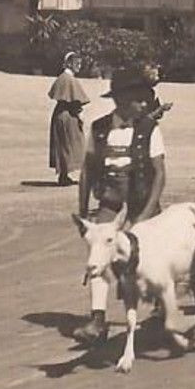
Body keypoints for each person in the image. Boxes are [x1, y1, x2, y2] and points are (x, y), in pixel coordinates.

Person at [75, 68, 169, 345]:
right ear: (121, 100)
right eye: (138, 100)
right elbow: (87, 170)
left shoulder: (150, 129)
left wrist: (146, 216)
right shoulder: (100, 128)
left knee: (154, 251)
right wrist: (84, 213)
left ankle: (162, 304)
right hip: (111, 194)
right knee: (98, 253)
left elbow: (160, 174)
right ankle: (97, 319)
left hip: (142, 194)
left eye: (145, 100)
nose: (143, 105)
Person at [47, 52, 91, 187]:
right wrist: (80, 116)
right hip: (68, 116)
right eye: (77, 64)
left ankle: (63, 175)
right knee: (74, 144)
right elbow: (75, 102)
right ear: (70, 64)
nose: (79, 66)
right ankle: (81, 176)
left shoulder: (62, 78)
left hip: (60, 114)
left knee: (63, 146)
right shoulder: (69, 79)